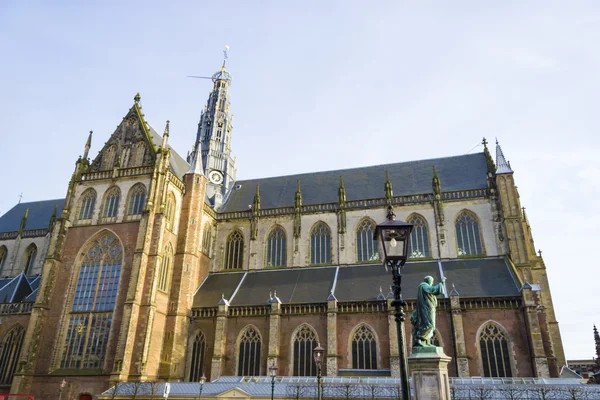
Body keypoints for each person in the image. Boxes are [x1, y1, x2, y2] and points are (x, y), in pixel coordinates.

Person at [410, 275, 446, 348]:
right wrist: (441, 283)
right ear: (428, 280)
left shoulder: (423, 287)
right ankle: (419, 338)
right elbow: (433, 290)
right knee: (429, 325)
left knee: (429, 325)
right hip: (427, 309)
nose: (432, 283)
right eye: (431, 281)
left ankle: (425, 342)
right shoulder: (423, 286)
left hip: (429, 308)